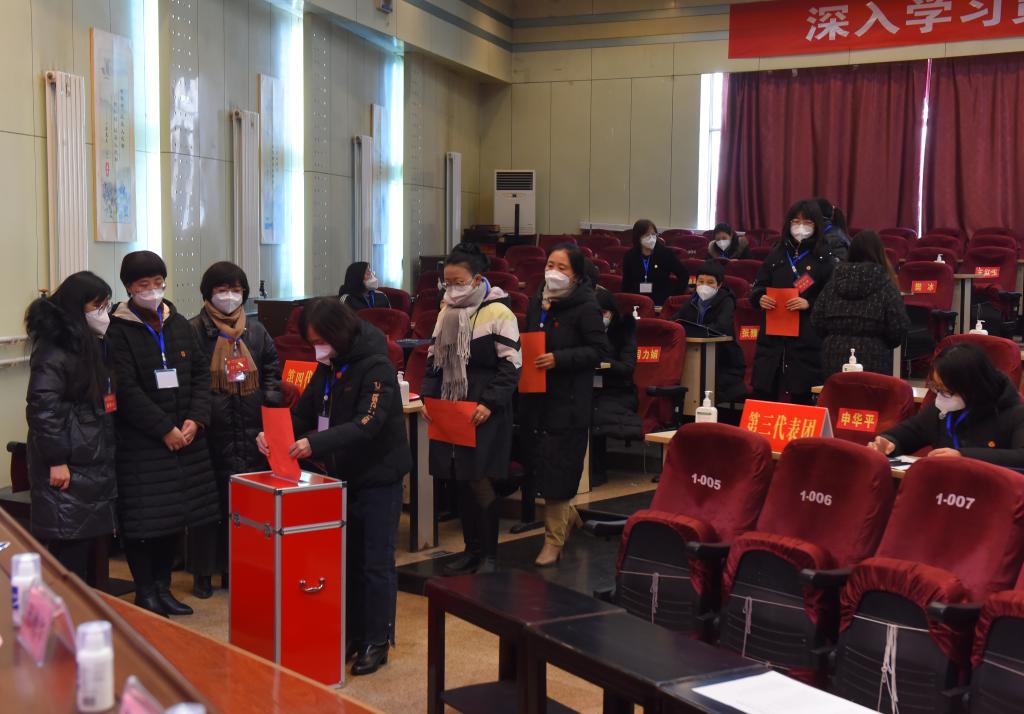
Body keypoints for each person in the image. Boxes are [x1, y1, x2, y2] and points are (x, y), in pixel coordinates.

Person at [258, 297, 409, 675]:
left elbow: (367, 423)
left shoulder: (376, 365)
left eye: (321, 341)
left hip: (378, 477)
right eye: (311, 342)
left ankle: (377, 640)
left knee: (375, 562)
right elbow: (304, 413)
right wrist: (274, 435)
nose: (317, 349)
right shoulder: (329, 366)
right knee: (347, 560)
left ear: (338, 333)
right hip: (341, 477)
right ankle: (353, 634)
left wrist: (315, 443)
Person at [106, 251, 219, 617]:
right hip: (144, 444)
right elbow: (125, 390)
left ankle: (164, 589)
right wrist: (164, 429)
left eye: (158, 283)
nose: (153, 290)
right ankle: (146, 591)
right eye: (144, 284)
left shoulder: (178, 323)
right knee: (144, 522)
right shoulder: (117, 330)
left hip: (186, 440)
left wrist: (196, 419)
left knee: (174, 518)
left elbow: (200, 374)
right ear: (129, 287)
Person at [422, 243, 522, 576]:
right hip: (452, 405)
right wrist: (428, 398)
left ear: (477, 279)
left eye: (458, 281)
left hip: (485, 407)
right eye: (447, 282)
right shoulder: (445, 312)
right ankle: (471, 550)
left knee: (480, 479)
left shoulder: (499, 313)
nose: (451, 288)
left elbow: (511, 367)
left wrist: (489, 403)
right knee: (460, 478)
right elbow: (433, 361)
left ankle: (489, 556)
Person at [188, 262, 282, 598]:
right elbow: (189, 379)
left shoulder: (256, 331)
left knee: (245, 504)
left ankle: (235, 569)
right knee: (206, 506)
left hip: (251, 428)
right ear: (208, 293)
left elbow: (272, 371)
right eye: (222, 289)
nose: (229, 296)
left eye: (236, 289)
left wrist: (268, 407)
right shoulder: (194, 330)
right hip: (211, 430)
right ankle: (202, 573)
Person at [519, 244, 608, 566]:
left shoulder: (586, 306)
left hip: (568, 401)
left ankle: (553, 541)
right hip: (536, 397)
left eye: (562, 267)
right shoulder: (536, 302)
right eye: (549, 265)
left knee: (559, 469)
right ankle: (568, 518)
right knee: (541, 465)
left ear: (577, 274)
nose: (553, 272)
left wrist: (560, 358)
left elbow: (599, 350)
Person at [24, 272, 117, 580]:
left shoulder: (86, 341)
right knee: (67, 547)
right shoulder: (54, 348)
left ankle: (82, 603)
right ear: (77, 306)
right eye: (97, 306)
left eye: (106, 305)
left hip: (86, 453)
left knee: (82, 541)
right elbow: (43, 407)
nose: (103, 313)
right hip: (66, 459)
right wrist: (57, 460)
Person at [869, 343, 1024, 468]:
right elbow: (906, 434)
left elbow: (1020, 457)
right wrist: (888, 443)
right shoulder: (941, 411)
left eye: (947, 390)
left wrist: (963, 456)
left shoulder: (1014, 413)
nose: (941, 396)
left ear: (974, 386)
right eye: (938, 388)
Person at [749, 200, 838, 405]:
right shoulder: (776, 254)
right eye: (796, 222)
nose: (800, 227)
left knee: (802, 397)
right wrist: (760, 297)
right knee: (764, 395)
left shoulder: (824, 259)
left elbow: (832, 299)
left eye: (807, 222)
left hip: (806, 340)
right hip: (772, 340)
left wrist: (809, 303)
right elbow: (758, 286)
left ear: (816, 225)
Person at [811, 231, 910, 377]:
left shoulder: (832, 284)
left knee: (837, 392)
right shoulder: (886, 285)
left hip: (833, 356)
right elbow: (898, 328)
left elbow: (816, 321)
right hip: (874, 357)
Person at [670, 261, 748, 403]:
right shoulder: (693, 300)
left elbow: (721, 327)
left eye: (710, 282)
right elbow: (676, 320)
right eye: (701, 281)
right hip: (694, 358)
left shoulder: (727, 301)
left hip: (723, 362)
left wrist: (694, 330)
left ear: (719, 285)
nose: (704, 286)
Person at [589, 288, 639, 487]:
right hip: (589, 387)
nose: (600, 317)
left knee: (594, 413)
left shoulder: (623, 331)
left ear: (612, 313)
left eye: (604, 313)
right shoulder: (585, 330)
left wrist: (604, 364)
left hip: (618, 390)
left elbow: (627, 367)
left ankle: (597, 471)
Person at [620, 219, 689, 306]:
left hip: (660, 302)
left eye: (653, 234)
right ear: (638, 237)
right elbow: (626, 283)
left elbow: (684, 274)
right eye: (647, 235)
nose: (651, 238)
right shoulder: (630, 256)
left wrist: (673, 297)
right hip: (636, 301)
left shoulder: (666, 254)